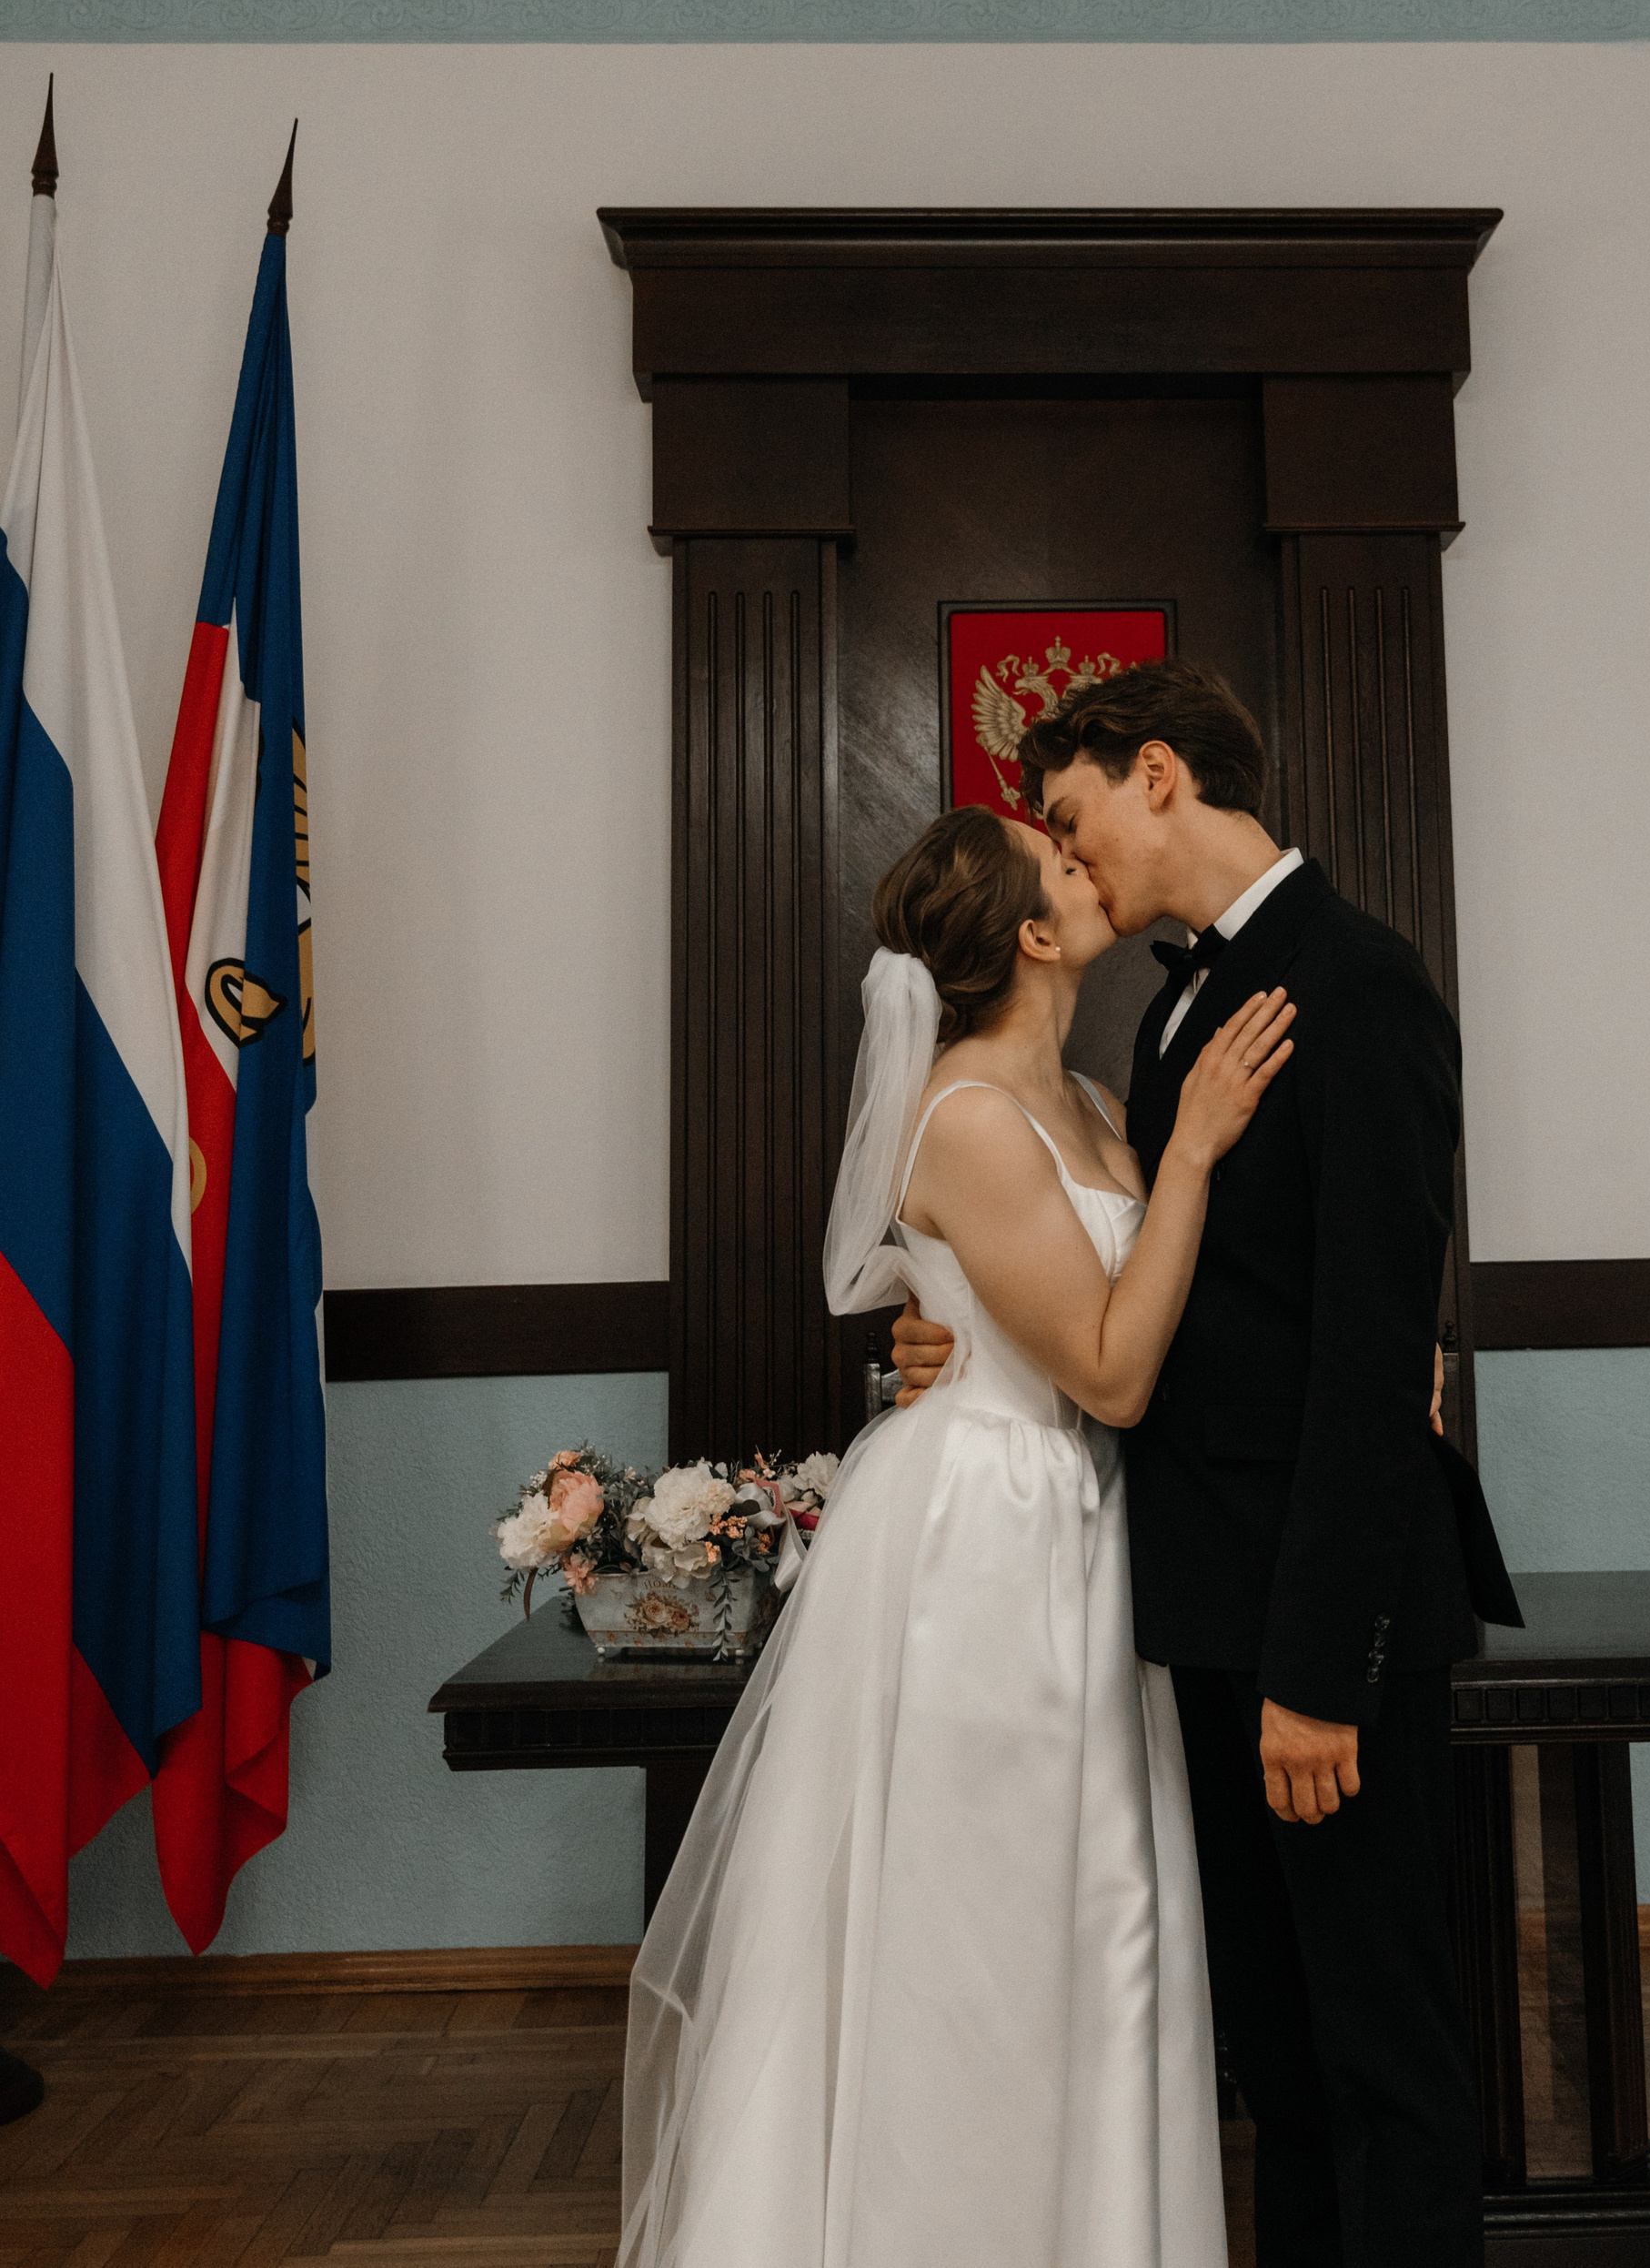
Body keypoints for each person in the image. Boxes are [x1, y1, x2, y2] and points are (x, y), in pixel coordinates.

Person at [894, 660, 1523, 2268]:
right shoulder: (1174, 1010)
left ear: (1158, 773)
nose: (1067, 851)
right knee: (1287, 2073)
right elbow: (1156, 1300)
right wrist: (960, 1342)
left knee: (1385, 2064)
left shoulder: (1358, 982)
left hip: (1323, 1637)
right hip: (1205, 1616)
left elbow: (1373, 1356)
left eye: (1072, 813)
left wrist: (1314, 1672)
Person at [617, 799, 1299, 2268]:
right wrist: (1192, 1156)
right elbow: (1109, 1368)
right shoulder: (973, 1116)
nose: (1084, 855)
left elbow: (1119, 1325)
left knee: (1103, 1916)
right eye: (1059, 856)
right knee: (982, 1926)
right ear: (1036, 932)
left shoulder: (1095, 1097)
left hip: (1092, 1530)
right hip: (990, 1546)